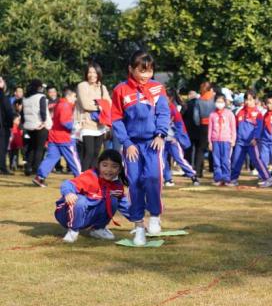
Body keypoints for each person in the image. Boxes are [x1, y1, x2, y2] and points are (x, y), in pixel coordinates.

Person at [110, 50, 171, 246]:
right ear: (131, 69)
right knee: (135, 183)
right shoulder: (121, 90)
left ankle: (154, 216)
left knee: (153, 179)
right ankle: (138, 226)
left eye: (149, 70)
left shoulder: (157, 88)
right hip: (132, 146)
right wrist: (126, 143)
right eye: (141, 70)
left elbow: (163, 112)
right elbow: (116, 118)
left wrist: (161, 134)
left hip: (153, 143)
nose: (145, 75)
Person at [55, 149, 133, 243]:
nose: (109, 169)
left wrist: (138, 220)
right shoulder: (90, 176)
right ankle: (73, 230)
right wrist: (68, 193)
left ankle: (98, 229)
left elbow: (125, 205)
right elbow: (68, 183)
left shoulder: (116, 186)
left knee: (113, 200)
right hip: (67, 215)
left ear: (120, 169)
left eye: (114, 166)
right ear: (98, 165)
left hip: (88, 217)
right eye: (105, 165)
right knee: (81, 200)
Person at [32, 88, 82, 186]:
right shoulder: (65, 105)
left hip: (54, 137)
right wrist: (76, 126)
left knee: (51, 158)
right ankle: (80, 179)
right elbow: (65, 121)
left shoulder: (59, 104)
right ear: (68, 96)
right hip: (65, 138)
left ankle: (40, 177)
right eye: (74, 96)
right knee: (73, 159)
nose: (75, 99)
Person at [228, 90, 270, 187]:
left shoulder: (258, 113)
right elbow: (235, 127)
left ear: (255, 100)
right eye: (246, 99)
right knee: (236, 160)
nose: (248, 102)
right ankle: (233, 179)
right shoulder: (239, 112)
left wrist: (255, 138)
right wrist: (234, 138)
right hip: (240, 142)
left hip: (252, 142)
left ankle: (267, 178)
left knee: (257, 160)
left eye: (250, 99)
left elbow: (259, 127)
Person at [76, 61, 111, 170]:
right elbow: (85, 104)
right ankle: (82, 179)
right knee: (89, 153)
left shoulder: (102, 87)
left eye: (94, 72)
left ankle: (92, 179)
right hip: (86, 124)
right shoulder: (82, 85)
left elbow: (109, 103)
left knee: (96, 153)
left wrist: (99, 104)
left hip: (100, 124)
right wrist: (100, 105)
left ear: (98, 73)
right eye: (89, 72)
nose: (92, 75)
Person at [162, 92, 199, 187]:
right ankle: (168, 179)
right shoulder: (159, 109)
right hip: (162, 140)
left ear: (170, 99)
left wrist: (176, 137)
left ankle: (193, 175)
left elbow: (180, 126)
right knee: (163, 160)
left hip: (172, 140)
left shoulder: (173, 110)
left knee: (179, 159)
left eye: (165, 98)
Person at [22, 79, 50, 176]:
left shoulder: (25, 98)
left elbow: (23, 113)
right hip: (40, 126)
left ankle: (28, 167)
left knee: (31, 147)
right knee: (39, 149)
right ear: (39, 87)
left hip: (29, 126)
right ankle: (36, 169)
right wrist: (43, 122)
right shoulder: (41, 97)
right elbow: (43, 111)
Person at [208, 94, 235, 186]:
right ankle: (218, 178)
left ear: (225, 102)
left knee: (225, 160)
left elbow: (233, 128)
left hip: (226, 140)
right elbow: (210, 129)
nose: (219, 104)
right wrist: (210, 142)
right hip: (215, 140)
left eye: (221, 102)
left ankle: (226, 178)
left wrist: (233, 139)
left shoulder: (229, 114)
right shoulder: (212, 115)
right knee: (216, 160)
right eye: (217, 101)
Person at [191, 82, 216, 179]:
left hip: (203, 125)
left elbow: (196, 117)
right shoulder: (214, 100)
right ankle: (214, 170)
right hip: (214, 125)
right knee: (214, 148)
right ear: (210, 89)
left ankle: (198, 171)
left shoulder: (199, 100)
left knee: (200, 150)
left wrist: (198, 124)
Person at [0, 76, 14, 174]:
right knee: (2, 148)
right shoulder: (4, 97)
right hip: (2, 127)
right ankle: (2, 167)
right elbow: (9, 112)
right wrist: (10, 124)